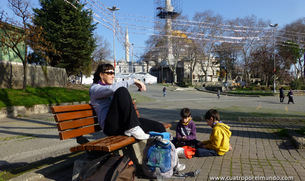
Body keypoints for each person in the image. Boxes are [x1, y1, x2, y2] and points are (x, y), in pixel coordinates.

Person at [89, 64, 166, 140]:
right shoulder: (95, 89)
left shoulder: (110, 87)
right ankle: (132, 127)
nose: (113, 76)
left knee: (159, 127)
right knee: (121, 90)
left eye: (113, 73)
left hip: (123, 123)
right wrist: (134, 80)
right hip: (110, 126)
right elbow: (112, 89)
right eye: (110, 73)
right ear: (101, 75)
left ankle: (170, 149)